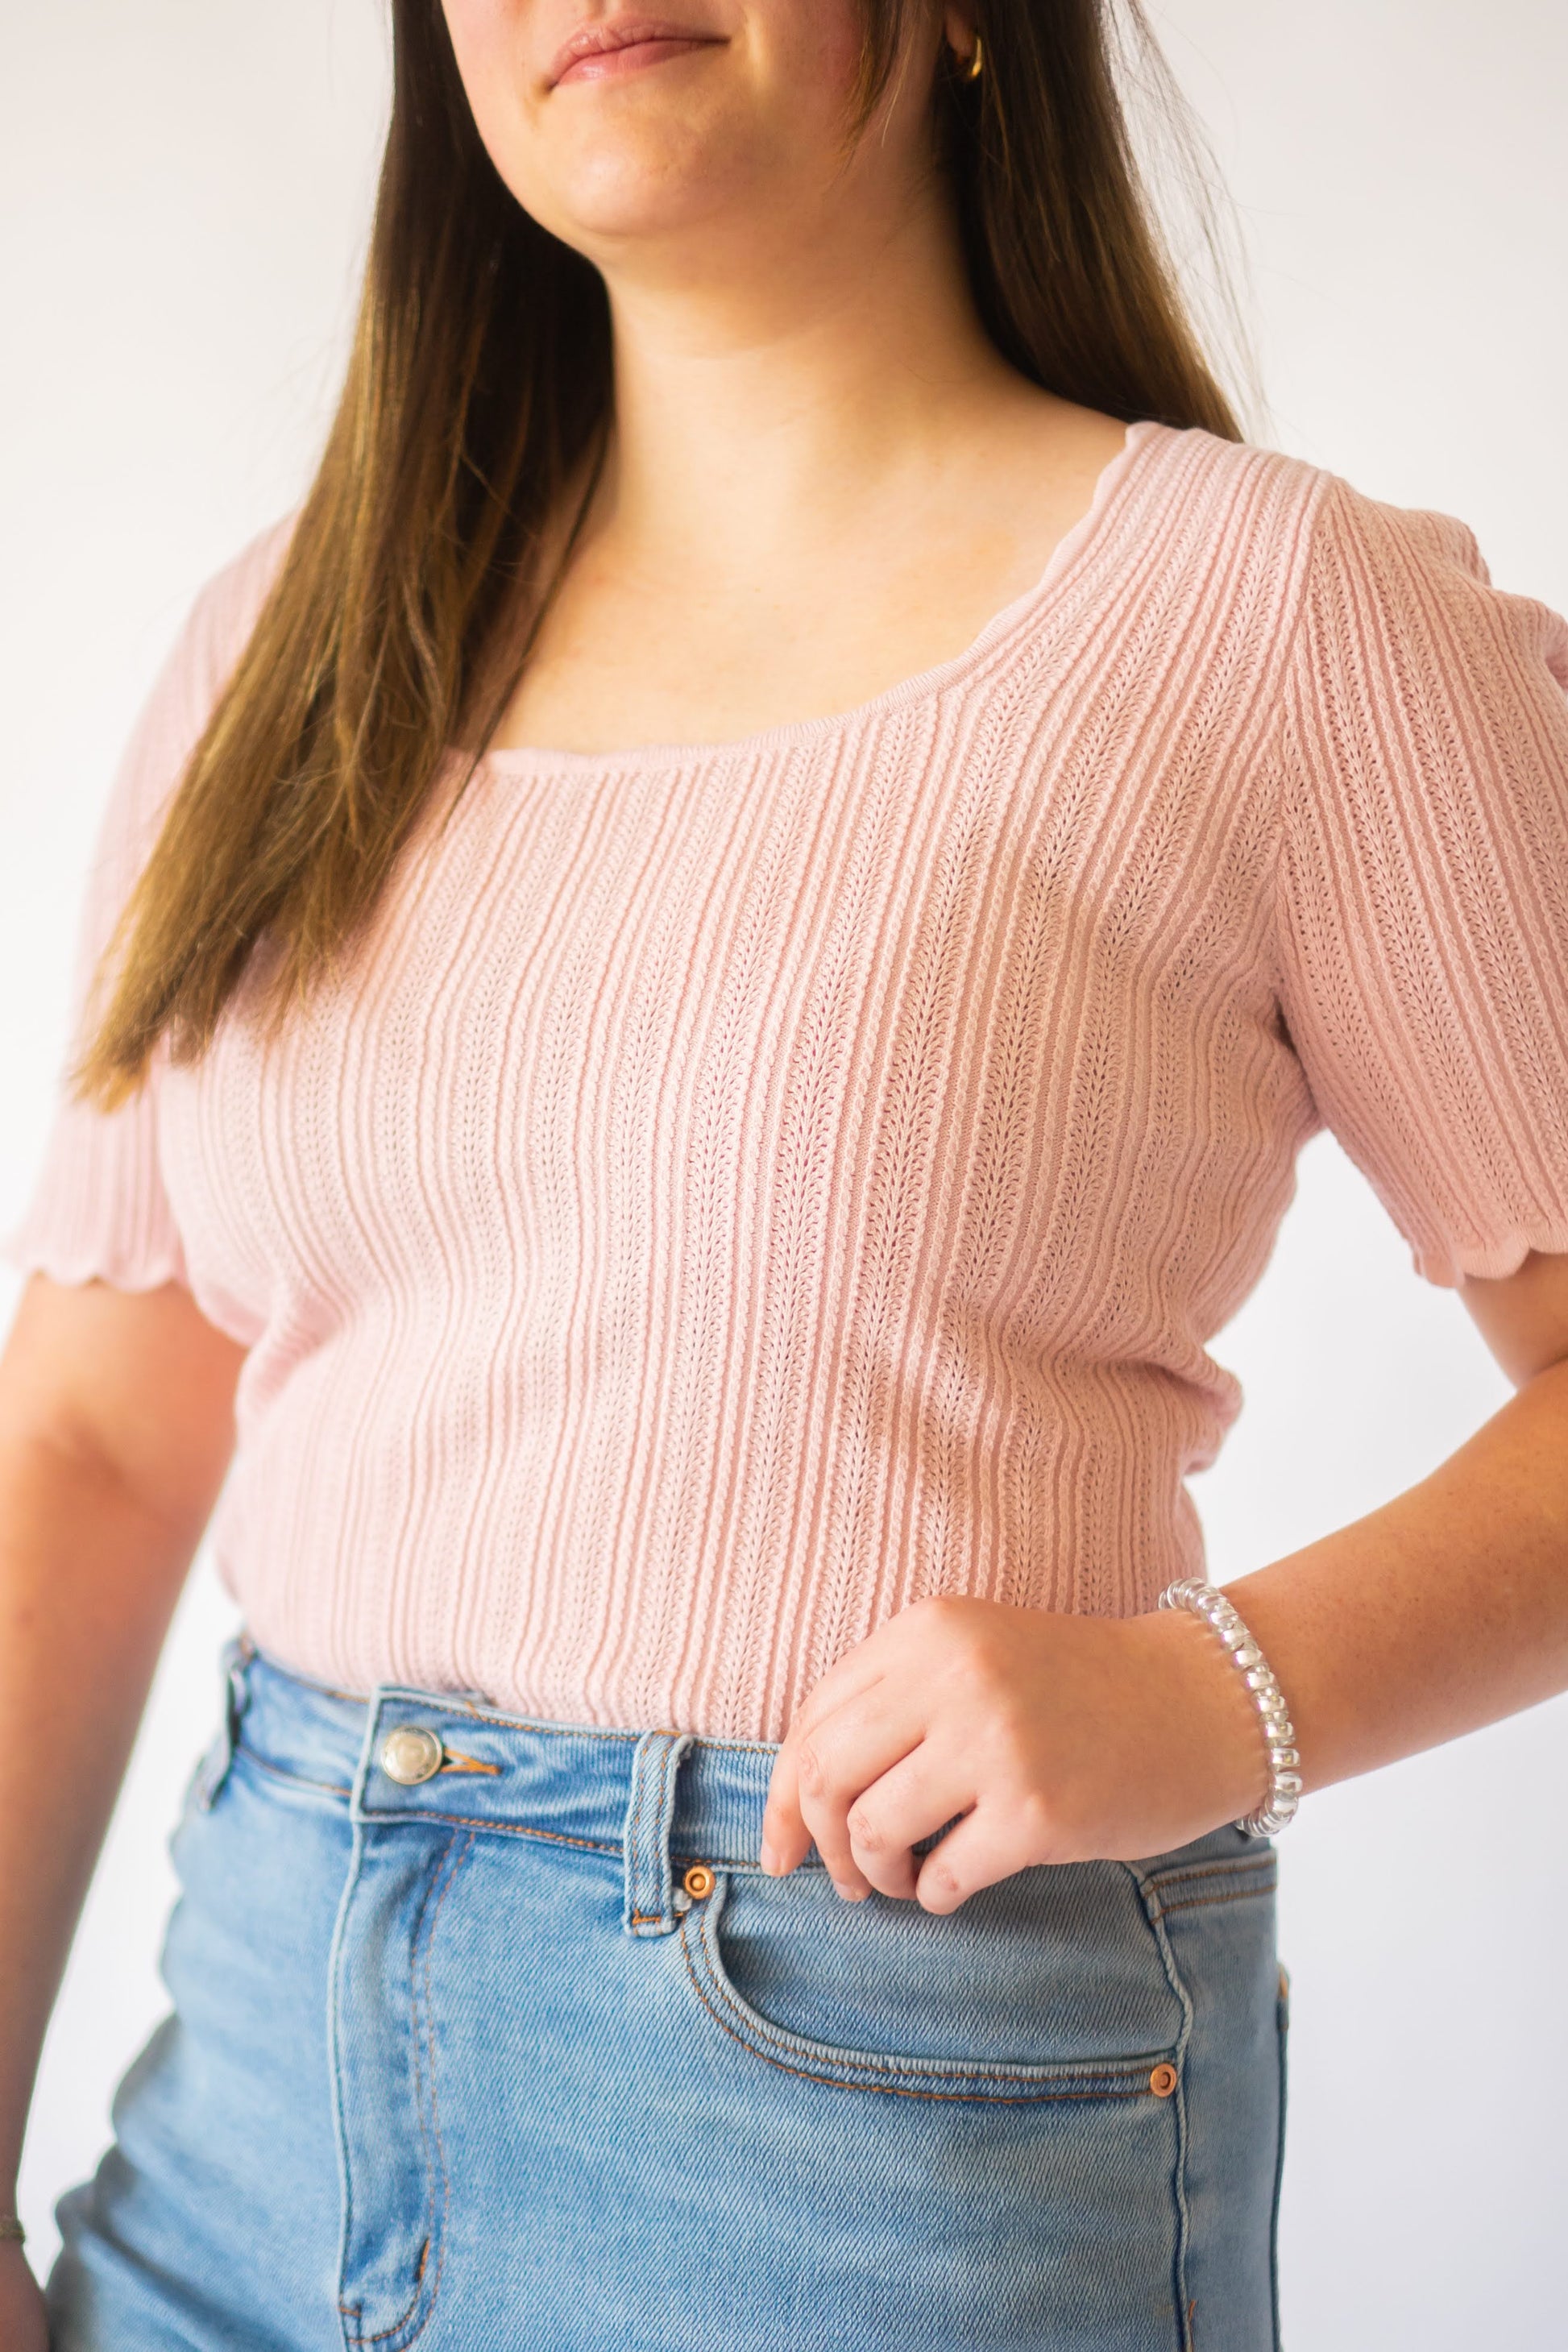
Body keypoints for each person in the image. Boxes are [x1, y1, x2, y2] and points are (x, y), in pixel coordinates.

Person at [3, 0, 1566, 2344]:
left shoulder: (1279, 621)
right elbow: (94, 1435)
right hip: (238, 2128)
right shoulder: (291, 649)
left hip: (868, 2149)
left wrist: (1220, 1693)